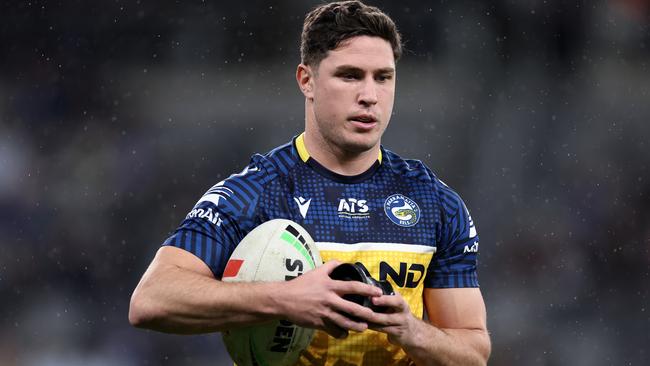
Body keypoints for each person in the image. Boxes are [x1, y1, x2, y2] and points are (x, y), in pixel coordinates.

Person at [129, 1, 491, 365]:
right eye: (350, 75)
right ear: (307, 80)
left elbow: (474, 353)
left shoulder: (434, 201)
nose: (370, 95)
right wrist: (285, 299)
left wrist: (411, 330)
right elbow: (151, 300)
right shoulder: (255, 192)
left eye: (383, 77)